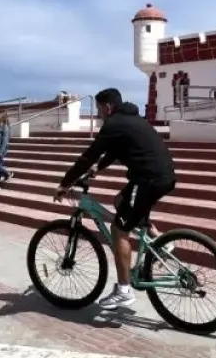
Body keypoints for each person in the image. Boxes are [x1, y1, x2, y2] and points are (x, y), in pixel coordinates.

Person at [55, 88, 176, 311]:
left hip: (147, 179)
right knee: (121, 200)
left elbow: (89, 154)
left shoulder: (113, 124)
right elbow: (114, 151)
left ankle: (123, 291)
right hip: (163, 175)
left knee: (119, 230)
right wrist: (97, 168)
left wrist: (65, 183)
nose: (99, 114)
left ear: (107, 107)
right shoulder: (130, 119)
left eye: (99, 109)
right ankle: (159, 240)